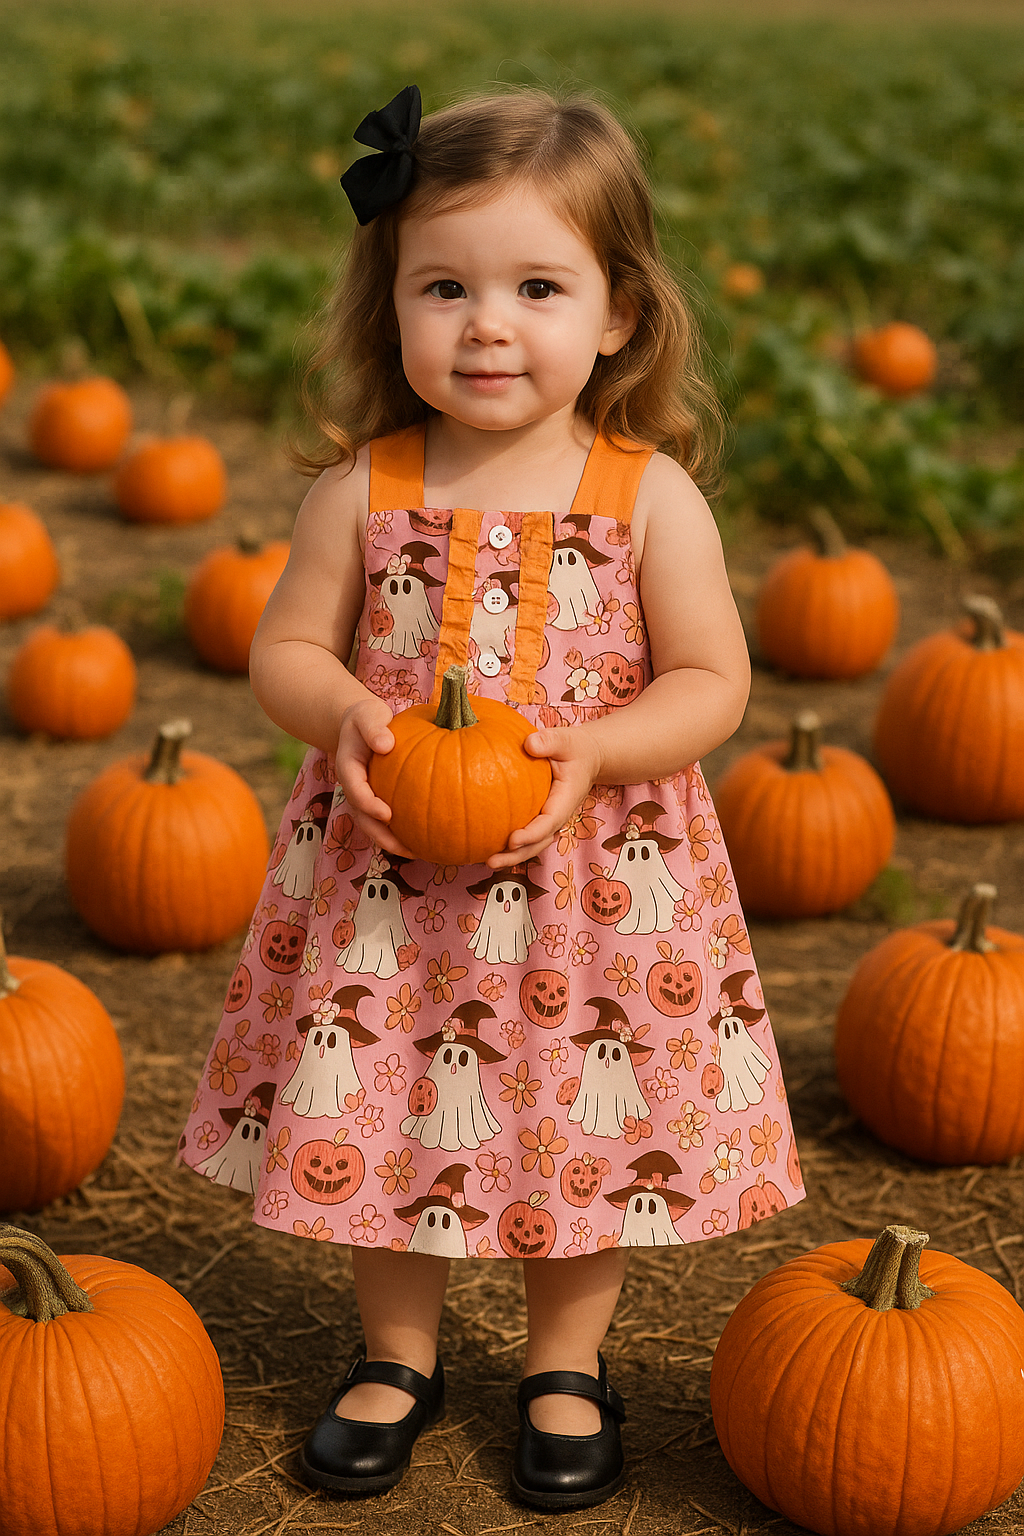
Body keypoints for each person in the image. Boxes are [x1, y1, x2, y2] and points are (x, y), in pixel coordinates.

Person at [178, 82, 804, 1512]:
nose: (487, 324)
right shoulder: (362, 489)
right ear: (387, 302)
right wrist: (342, 708)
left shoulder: (648, 496)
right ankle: (395, 1356)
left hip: (591, 893)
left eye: (537, 286)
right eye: (443, 286)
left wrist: (601, 747)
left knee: (587, 1136)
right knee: (388, 1113)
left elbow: (717, 678)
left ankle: (563, 1365)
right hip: (390, 895)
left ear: (620, 314)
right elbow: (284, 647)